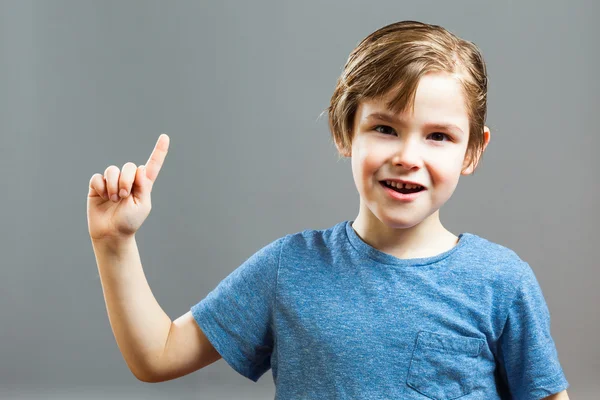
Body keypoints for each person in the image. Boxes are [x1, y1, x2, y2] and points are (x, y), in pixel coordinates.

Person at [87, 20, 570, 399]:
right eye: (385, 128)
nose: (407, 155)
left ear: (471, 152)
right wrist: (114, 242)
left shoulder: (501, 281)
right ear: (344, 133)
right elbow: (157, 355)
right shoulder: (287, 268)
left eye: (438, 136)